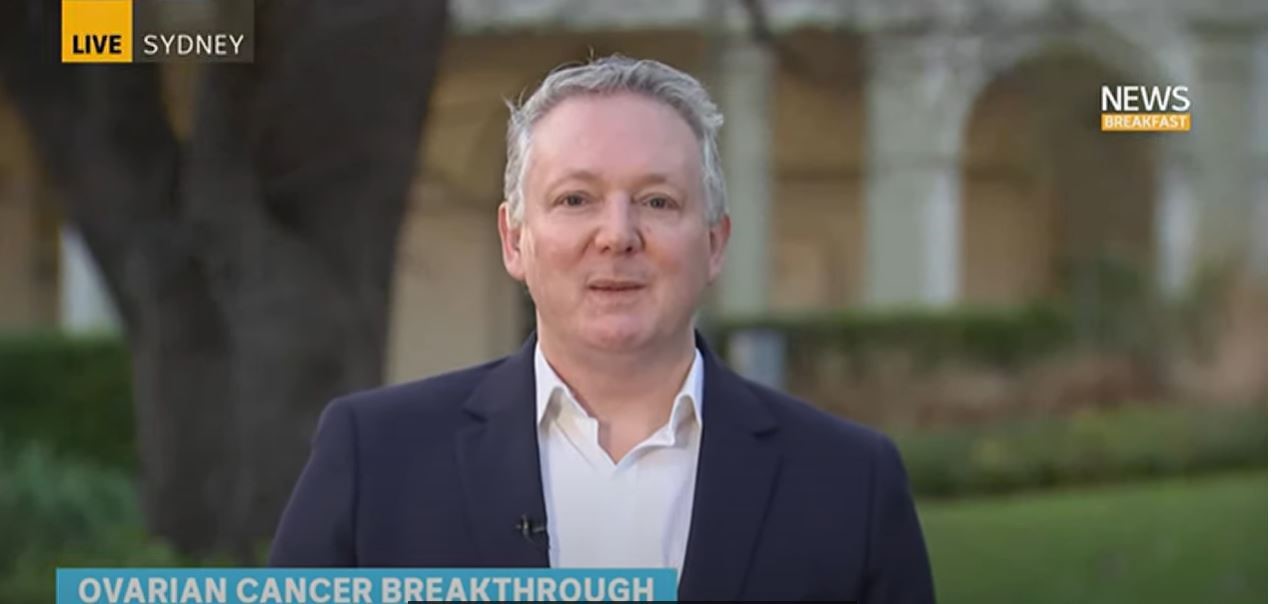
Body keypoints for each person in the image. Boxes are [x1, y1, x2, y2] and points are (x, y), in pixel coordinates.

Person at [269, 55, 936, 603]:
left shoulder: (849, 481)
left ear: (714, 243)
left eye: (655, 201)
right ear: (513, 239)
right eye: (575, 199)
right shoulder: (376, 457)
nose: (616, 235)